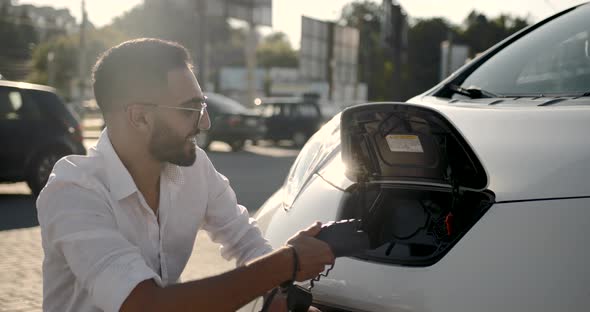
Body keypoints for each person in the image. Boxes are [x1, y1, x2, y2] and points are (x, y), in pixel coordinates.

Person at [36, 38, 335, 312]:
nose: (204, 123)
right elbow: (144, 306)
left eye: (202, 105)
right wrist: (285, 263)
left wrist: (279, 294)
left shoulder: (195, 168)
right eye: (190, 109)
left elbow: (246, 242)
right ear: (139, 116)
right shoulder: (73, 191)